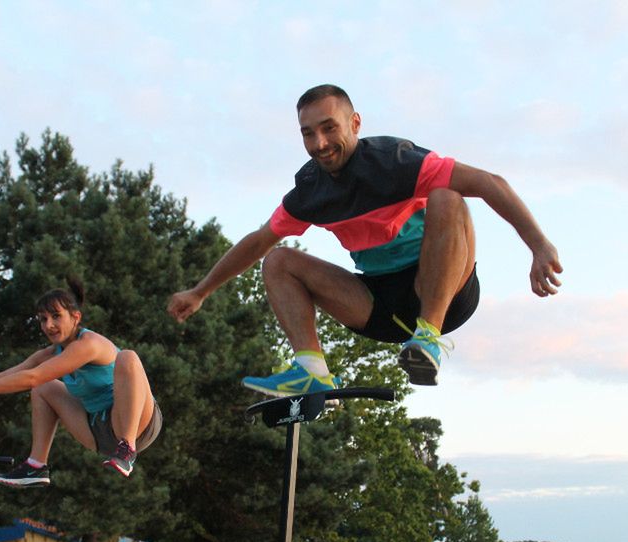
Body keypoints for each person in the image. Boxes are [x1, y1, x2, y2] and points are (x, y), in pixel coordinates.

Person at [168, 84, 562, 394]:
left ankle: (429, 337)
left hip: (443, 291)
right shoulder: (311, 190)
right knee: (279, 260)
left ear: (355, 123)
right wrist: (201, 292)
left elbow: (489, 183)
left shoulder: (395, 161)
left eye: (329, 128)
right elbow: (258, 242)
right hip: (378, 306)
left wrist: (539, 246)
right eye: (308, 134)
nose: (319, 143)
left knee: (448, 195)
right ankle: (311, 370)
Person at [0, 279, 163, 485]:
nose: (49, 325)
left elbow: (33, 376)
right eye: (43, 319)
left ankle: (127, 450)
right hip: (99, 432)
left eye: (56, 316)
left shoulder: (89, 344)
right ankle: (36, 466)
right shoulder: (51, 353)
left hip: (136, 423)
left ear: (75, 317)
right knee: (43, 387)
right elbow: (4, 375)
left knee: (127, 357)